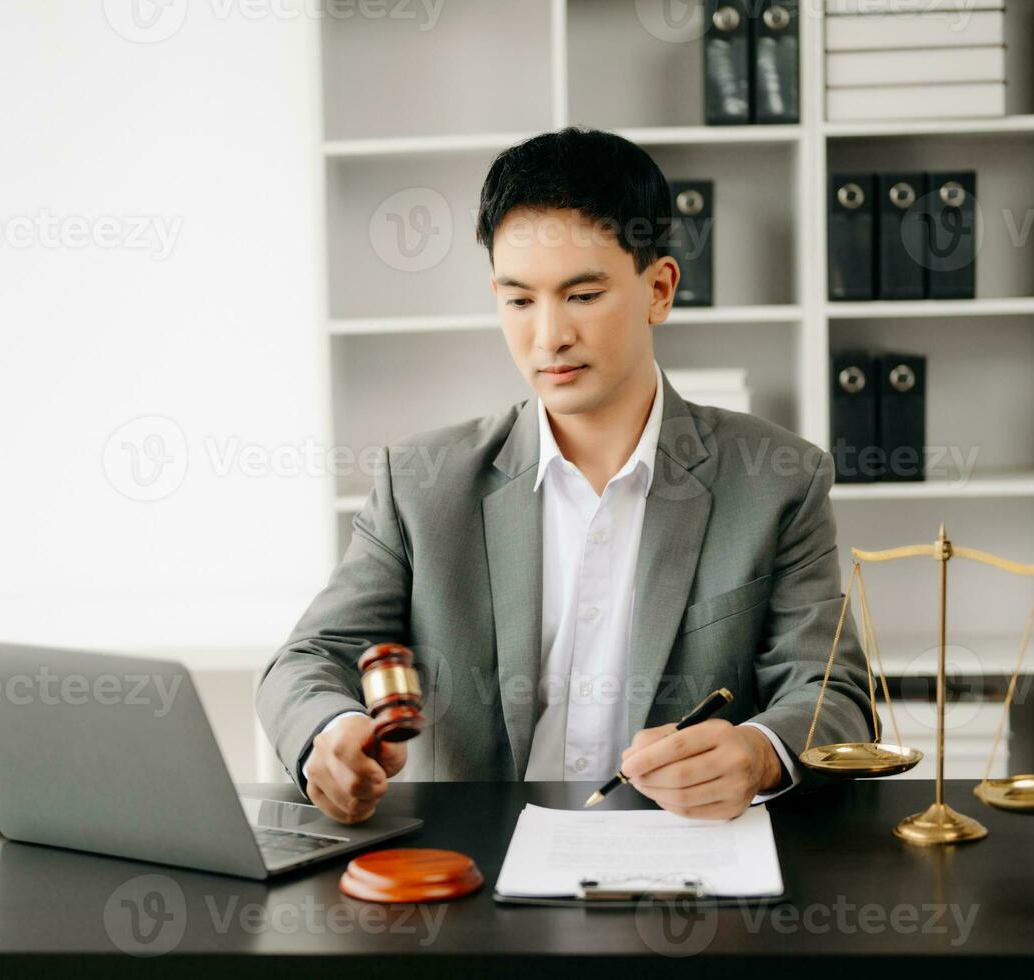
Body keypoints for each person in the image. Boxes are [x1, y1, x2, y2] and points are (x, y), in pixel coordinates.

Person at [258, 127, 873, 825]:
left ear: (659, 289)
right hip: (472, 877)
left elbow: (835, 696)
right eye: (518, 300)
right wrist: (326, 733)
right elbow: (309, 658)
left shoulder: (777, 479)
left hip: (678, 866)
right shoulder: (422, 482)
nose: (547, 336)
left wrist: (758, 752)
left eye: (581, 296)